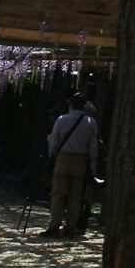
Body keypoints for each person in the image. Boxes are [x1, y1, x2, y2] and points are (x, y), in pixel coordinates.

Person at [43, 94, 100, 237]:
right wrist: (93, 164)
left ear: (71, 105)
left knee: (58, 194)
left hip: (63, 158)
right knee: (76, 196)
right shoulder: (91, 122)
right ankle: (70, 227)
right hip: (81, 161)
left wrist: (52, 156)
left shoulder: (62, 120)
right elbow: (93, 146)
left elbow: (54, 141)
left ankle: (54, 226)